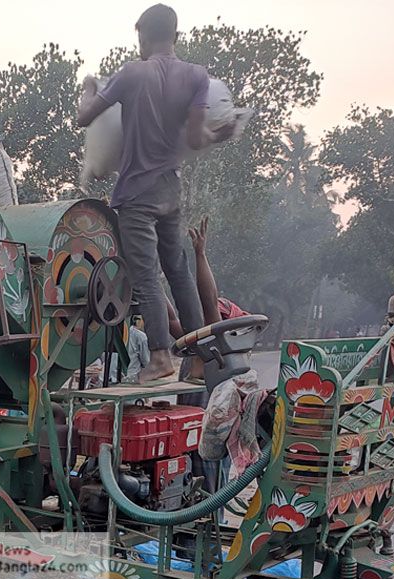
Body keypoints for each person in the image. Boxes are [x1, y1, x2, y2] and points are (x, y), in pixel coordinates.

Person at [76, 3, 234, 382]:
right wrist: (221, 133)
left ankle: (161, 357)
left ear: (143, 37)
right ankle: (200, 357)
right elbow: (197, 137)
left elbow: (84, 117)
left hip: (136, 193)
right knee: (177, 271)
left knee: (145, 275)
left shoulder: (133, 73)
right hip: (170, 190)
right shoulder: (196, 76)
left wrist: (87, 90)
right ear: (175, 37)